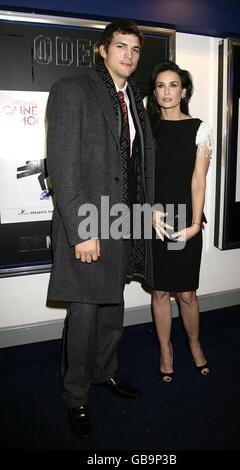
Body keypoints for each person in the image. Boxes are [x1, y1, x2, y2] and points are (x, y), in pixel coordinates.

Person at [46, 19, 155, 438]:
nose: (129, 55)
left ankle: (104, 372)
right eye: (121, 46)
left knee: (113, 306)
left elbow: (137, 165)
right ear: (103, 50)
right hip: (90, 222)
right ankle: (75, 395)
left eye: (135, 49)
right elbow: (63, 165)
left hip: (124, 221)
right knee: (85, 313)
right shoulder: (73, 90)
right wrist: (80, 230)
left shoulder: (135, 99)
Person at [147, 61, 212, 383]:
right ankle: (165, 349)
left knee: (186, 293)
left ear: (184, 90)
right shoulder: (145, 128)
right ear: (154, 91)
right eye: (160, 85)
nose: (167, 91)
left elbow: (199, 180)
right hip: (155, 219)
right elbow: (137, 176)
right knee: (159, 292)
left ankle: (195, 344)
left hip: (186, 218)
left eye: (173, 85)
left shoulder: (200, 128)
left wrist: (196, 223)